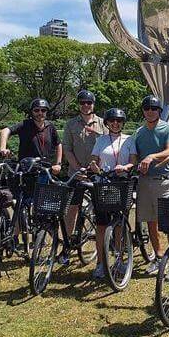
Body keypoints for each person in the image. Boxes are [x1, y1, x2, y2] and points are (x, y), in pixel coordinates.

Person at [129, 95, 169, 274]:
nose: (150, 111)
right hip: (144, 181)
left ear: (159, 111)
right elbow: (134, 156)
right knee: (151, 222)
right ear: (143, 110)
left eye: (154, 108)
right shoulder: (139, 132)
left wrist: (152, 157)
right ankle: (158, 256)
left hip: (163, 182)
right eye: (147, 108)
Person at [88, 107, 136, 279]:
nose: (115, 123)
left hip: (122, 184)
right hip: (104, 183)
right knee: (101, 226)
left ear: (123, 123)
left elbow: (133, 161)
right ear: (107, 123)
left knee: (119, 225)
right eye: (112, 121)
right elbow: (93, 160)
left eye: (119, 121)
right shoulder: (100, 140)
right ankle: (101, 263)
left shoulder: (129, 140)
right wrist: (94, 166)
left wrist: (126, 167)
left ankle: (119, 261)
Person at [62, 89, 106, 237]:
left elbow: (110, 146)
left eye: (89, 102)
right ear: (79, 105)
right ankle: (68, 240)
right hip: (76, 173)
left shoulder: (103, 123)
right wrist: (78, 168)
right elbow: (67, 149)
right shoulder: (70, 124)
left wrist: (98, 134)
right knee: (72, 207)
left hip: (97, 172)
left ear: (93, 104)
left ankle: (105, 239)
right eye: (82, 103)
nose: (85, 105)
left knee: (102, 208)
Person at [0, 98, 63, 173]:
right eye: (36, 110)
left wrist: (58, 164)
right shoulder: (25, 124)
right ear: (32, 112)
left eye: (43, 110)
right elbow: (5, 130)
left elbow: (58, 144)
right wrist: (3, 148)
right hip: (26, 169)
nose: (40, 113)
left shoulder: (50, 126)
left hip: (45, 170)